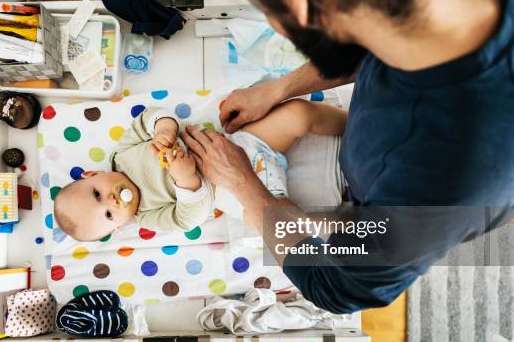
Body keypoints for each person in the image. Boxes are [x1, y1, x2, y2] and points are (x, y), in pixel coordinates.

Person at [182, 0, 514, 313]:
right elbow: (368, 34)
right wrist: (280, 88)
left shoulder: (440, 178)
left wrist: (245, 187)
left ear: (294, 0)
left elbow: (337, 288)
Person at [54, 101, 346, 241]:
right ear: (118, 227)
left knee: (297, 113)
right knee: (288, 225)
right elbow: (188, 218)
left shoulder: (122, 154)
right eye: (108, 214)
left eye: (97, 194)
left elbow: (149, 116)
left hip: (241, 146)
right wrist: (185, 179)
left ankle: (352, 122)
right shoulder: (147, 215)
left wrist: (164, 130)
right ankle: (349, 228)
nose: (112, 201)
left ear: (91, 174)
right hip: (234, 194)